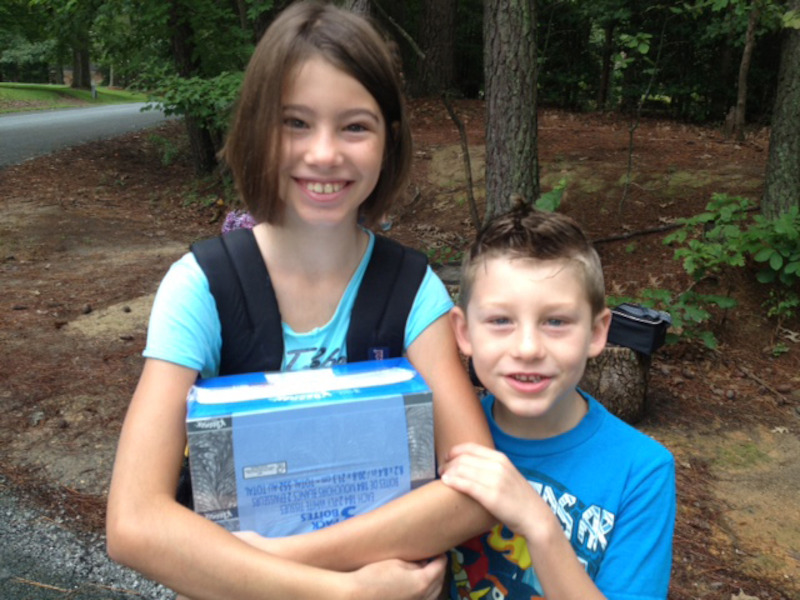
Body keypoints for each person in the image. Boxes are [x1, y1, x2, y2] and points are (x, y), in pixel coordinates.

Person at [105, 3, 493, 599]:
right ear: (257, 128)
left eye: (355, 126)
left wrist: (291, 555)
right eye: (295, 123)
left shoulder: (413, 291)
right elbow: (133, 523)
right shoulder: (201, 287)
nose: (324, 154)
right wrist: (342, 593)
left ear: (390, 139)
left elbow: (474, 489)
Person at [440, 206, 676, 599]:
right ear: (463, 333)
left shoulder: (642, 471)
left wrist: (538, 523)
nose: (528, 348)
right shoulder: (442, 441)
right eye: (501, 320)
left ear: (598, 332)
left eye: (556, 322)